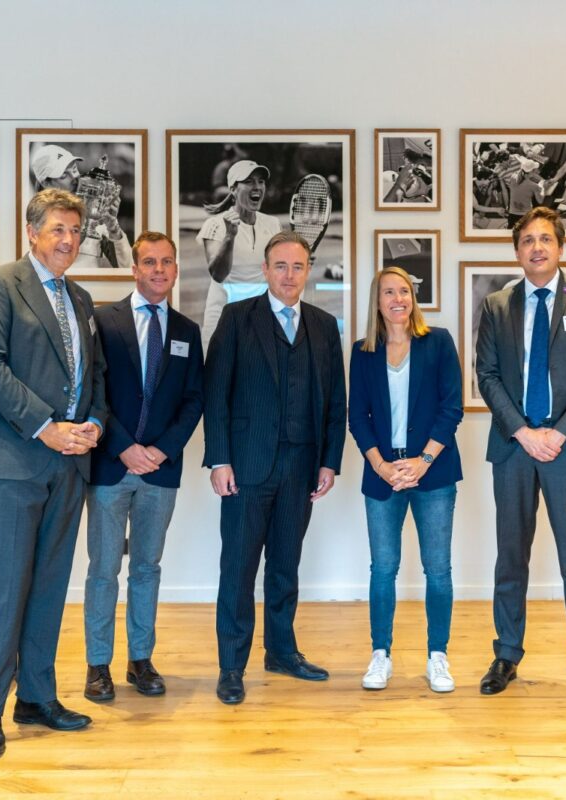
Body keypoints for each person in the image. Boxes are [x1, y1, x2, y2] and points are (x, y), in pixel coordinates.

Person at [0, 188, 108, 759]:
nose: (69, 239)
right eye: (58, 229)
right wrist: (45, 426)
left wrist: (93, 423)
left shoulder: (81, 298)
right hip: (12, 463)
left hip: (69, 464)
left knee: (48, 586)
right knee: (5, 590)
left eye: (75, 230)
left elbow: (93, 376)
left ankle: (37, 698)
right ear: (32, 232)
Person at [474, 206, 566, 707]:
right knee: (510, 555)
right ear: (516, 251)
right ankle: (506, 654)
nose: (536, 247)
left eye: (545, 239)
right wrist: (522, 431)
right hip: (514, 448)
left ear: (560, 247)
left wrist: (557, 434)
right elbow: (487, 375)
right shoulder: (497, 305)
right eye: (527, 241)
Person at [203, 231, 346, 705]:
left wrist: (329, 462)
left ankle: (281, 652)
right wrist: (219, 458)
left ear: (308, 271)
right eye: (280, 266)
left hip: (301, 468)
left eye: (297, 266)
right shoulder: (237, 318)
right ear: (265, 270)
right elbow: (215, 393)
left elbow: (336, 402)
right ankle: (231, 665)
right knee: (238, 568)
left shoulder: (323, 326)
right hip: (246, 467)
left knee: (285, 565)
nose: (289, 275)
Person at [82, 231, 204, 703]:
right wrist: (124, 447)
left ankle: (140, 660)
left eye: (167, 262)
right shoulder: (103, 321)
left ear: (175, 269)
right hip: (111, 466)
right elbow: (92, 391)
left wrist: (161, 450)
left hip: (160, 470)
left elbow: (193, 400)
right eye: (150, 262)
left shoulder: (187, 331)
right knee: (103, 569)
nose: (159, 270)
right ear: (133, 269)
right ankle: (98, 665)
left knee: (148, 567)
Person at [348, 267, 463, 692]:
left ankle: (438, 656)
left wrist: (424, 461)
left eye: (404, 291)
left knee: (438, 568)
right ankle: (381, 654)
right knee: (383, 568)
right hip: (383, 474)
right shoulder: (363, 351)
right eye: (388, 292)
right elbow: (357, 417)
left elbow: (451, 408)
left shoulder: (438, 342)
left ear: (413, 299)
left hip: (433, 473)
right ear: (377, 302)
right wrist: (381, 465)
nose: (398, 298)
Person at [196, 159, 284, 348]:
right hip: (222, 320)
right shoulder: (214, 224)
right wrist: (230, 236)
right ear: (233, 189)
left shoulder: (273, 224)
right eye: (249, 181)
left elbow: (278, 271)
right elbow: (218, 274)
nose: (257, 187)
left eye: (261, 181)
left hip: (260, 320)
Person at [30, 144, 133, 271]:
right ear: (46, 183)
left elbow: (127, 269)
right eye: (64, 175)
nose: (75, 178)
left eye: (74, 169)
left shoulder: (97, 220)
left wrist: (113, 228)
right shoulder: (34, 225)